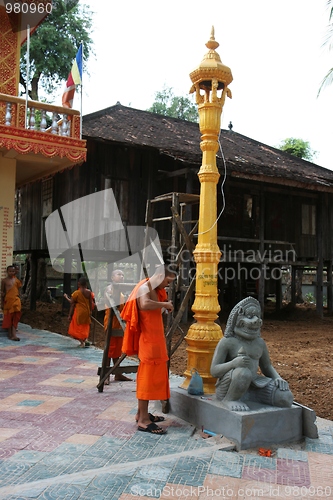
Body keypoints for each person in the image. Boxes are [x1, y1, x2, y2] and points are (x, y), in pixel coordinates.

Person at [210, 296, 294, 411]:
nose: (255, 320)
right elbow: (214, 371)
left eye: (257, 317)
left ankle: (250, 397)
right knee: (243, 373)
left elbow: (266, 367)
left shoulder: (260, 343)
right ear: (236, 319)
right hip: (231, 385)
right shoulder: (227, 342)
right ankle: (230, 400)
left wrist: (277, 378)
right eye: (249, 316)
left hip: (255, 384)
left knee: (285, 398)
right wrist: (233, 363)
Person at [121, 264, 176, 435]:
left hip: (155, 339)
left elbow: (151, 310)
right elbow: (144, 304)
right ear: (160, 275)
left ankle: (141, 414)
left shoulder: (154, 289)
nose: (167, 285)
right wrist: (165, 304)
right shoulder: (144, 287)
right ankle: (144, 421)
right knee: (147, 378)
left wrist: (162, 307)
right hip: (149, 341)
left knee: (152, 377)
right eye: (167, 281)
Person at [104, 269, 132, 382]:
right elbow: (111, 302)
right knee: (109, 350)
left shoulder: (121, 292)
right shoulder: (110, 289)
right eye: (119, 274)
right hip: (111, 323)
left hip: (120, 323)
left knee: (117, 351)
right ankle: (105, 375)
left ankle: (117, 373)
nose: (121, 276)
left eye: (123, 275)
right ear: (112, 277)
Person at [68, 277, 93, 347]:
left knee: (77, 327)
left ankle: (82, 342)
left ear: (79, 284)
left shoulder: (76, 293)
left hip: (79, 312)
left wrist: (70, 315)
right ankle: (85, 339)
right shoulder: (89, 292)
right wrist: (90, 311)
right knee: (85, 326)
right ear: (86, 284)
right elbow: (90, 303)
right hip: (86, 311)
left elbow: (72, 304)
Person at [1, 265, 22, 341]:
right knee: (9, 318)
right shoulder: (4, 281)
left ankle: (14, 335)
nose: (12, 272)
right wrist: (2, 303)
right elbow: (2, 292)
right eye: (10, 271)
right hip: (8, 302)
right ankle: (10, 334)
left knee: (15, 318)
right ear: (7, 272)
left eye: (13, 271)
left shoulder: (16, 281)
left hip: (16, 301)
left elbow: (18, 291)